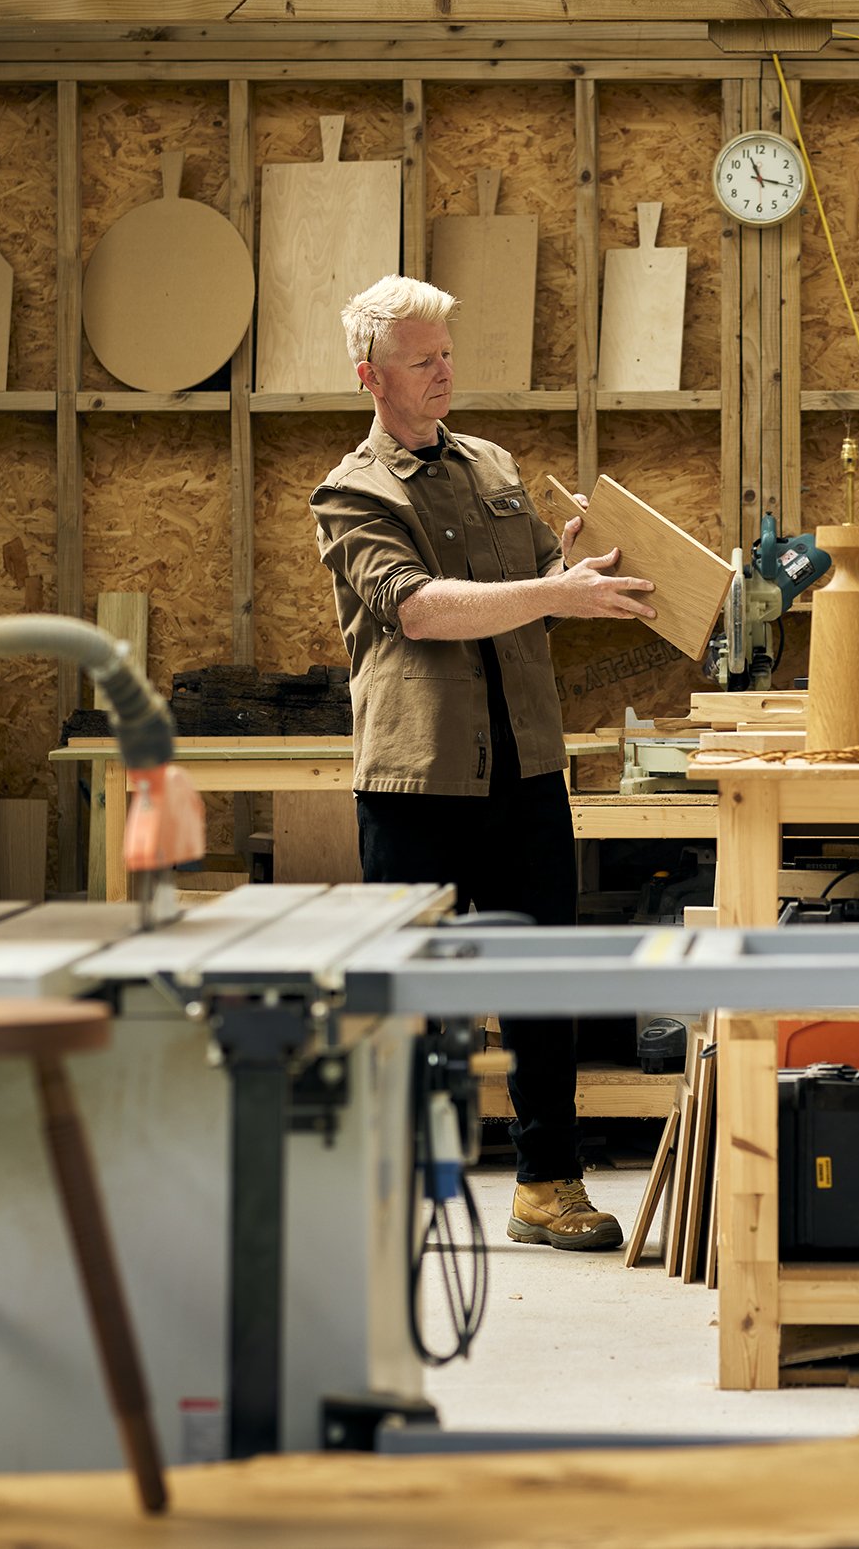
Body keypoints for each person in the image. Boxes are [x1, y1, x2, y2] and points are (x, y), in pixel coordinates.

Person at [310, 275, 657, 1252]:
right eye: (423, 361)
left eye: (447, 354)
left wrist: (576, 557)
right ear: (370, 376)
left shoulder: (492, 462)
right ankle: (398, 1194)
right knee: (409, 994)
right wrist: (552, 589)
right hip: (417, 777)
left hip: (524, 764)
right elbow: (418, 607)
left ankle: (548, 1183)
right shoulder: (350, 493)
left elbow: (540, 576)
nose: (443, 372)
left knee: (546, 980)